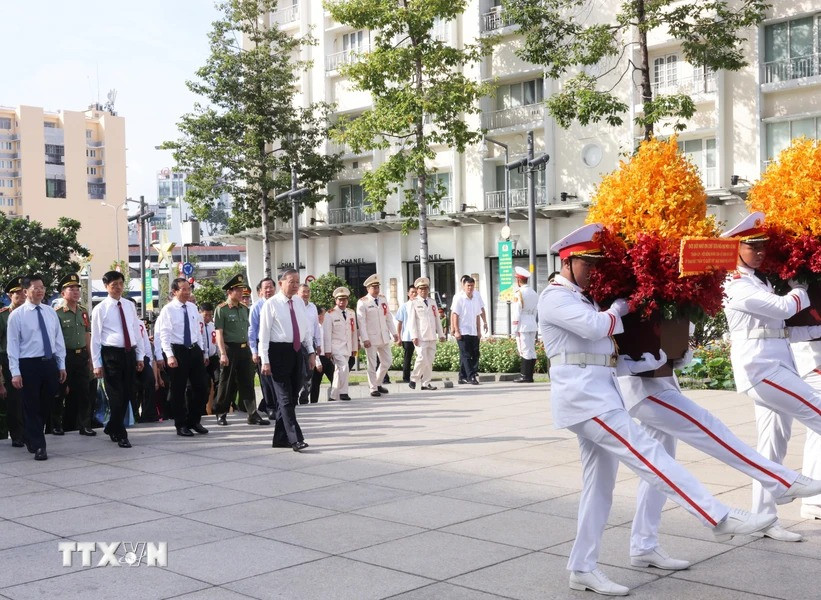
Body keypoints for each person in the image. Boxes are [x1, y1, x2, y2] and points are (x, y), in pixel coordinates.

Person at [540, 223, 775, 596]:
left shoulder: (580, 297)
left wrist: (648, 361)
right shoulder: (555, 298)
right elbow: (595, 328)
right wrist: (621, 304)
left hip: (597, 396)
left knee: (599, 490)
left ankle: (582, 567)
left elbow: (603, 358)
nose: (594, 271)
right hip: (585, 401)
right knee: (647, 455)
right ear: (567, 262)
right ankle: (716, 515)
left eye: (597, 264)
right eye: (588, 264)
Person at [618, 345, 821, 569]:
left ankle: (643, 545)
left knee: (657, 472)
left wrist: (678, 352)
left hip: (659, 384)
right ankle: (780, 481)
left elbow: (666, 342)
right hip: (639, 390)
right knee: (709, 428)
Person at [722, 211, 821, 541]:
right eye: (753, 246)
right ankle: (785, 485)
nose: (761, 253)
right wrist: (801, 287)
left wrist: (813, 328)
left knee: (772, 443)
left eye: (764, 247)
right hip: (761, 369)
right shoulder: (734, 284)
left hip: (773, 364)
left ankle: (765, 518)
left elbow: (778, 331)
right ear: (736, 247)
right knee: (818, 412)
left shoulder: (758, 281)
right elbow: (782, 309)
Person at [6, 274, 67, 461]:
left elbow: (58, 340)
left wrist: (61, 364)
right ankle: (40, 445)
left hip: (48, 364)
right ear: (26, 291)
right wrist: (15, 372)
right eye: (35, 288)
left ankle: (30, 434)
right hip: (28, 364)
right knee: (31, 404)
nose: (40, 290)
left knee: (45, 403)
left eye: (42, 287)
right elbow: (13, 346)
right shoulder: (17, 316)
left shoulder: (50, 312)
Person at [259, 269, 315, 451]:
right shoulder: (271, 304)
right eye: (291, 282)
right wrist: (265, 359)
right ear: (281, 282)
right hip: (277, 352)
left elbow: (305, 329)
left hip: (296, 351)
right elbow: (264, 334)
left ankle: (280, 438)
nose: (295, 285)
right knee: (284, 397)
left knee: (292, 396)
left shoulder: (299, 302)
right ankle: (295, 438)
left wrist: (311, 352)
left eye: (297, 282)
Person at [91, 270, 144, 448]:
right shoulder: (100, 309)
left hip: (129, 353)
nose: (118, 288)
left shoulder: (129, 305)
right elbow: (95, 338)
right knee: (116, 395)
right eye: (114, 285)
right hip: (111, 355)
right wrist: (97, 363)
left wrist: (140, 355)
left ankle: (112, 426)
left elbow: (136, 331)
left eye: (121, 284)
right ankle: (121, 434)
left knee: (128, 393)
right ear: (106, 287)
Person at [156, 278, 210, 437]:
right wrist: (169, 355)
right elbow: (164, 334)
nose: (187, 292)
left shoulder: (193, 308)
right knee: (178, 390)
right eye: (183, 289)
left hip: (194, 350)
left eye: (189, 289)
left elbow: (198, 331)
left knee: (201, 387)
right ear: (174, 291)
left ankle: (194, 420)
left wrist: (202, 351)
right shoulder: (168, 309)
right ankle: (181, 424)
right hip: (177, 350)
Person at [213, 274, 269, 426]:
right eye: (237, 290)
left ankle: (252, 413)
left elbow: (248, 331)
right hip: (229, 349)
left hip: (244, 349)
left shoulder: (245, 309)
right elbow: (219, 333)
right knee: (226, 382)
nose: (240, 293)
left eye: (241, 290)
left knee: (247, 381)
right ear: (229, 292)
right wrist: (223, 353)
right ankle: (221, 412)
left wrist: (252, 350)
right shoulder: (221, 309)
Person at [53, 273, 95, 436]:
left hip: (81, 356)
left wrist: (91, 357)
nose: (76, 291)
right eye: (71, 288)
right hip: (65, 357)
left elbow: (86, 335)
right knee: (60, 392)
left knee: (84, 392)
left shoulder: (83, 311)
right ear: (63, 293)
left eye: (78, 288)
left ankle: (84, 425)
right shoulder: (57, 313)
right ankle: (56, 425)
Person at [357, 274, 398, 397]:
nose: (376, 289)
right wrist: (365, 339)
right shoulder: (362, 302)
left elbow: (388, 318)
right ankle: (373, 388)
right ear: (368, 288)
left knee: (387, 361)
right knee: (372, 364)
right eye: (373, 287)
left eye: (377, 287)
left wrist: (394, 333)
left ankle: (378, 382)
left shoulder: (383, 299)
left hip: (383, 336)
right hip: (371, 338)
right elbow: (361, 322)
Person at [1, 275, 28, 446]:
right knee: (15, 400)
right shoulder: (3, 315)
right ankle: (17, 434)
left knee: (29, 398)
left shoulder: (30, 313)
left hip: (28, 359)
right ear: (10, 296)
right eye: (17, 293)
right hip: (8, 360)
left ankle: (28, 431)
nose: (21, 296)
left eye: (23, 292)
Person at [407, 277, 445, 390]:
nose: (423, 291)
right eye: (421, 289)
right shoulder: (413, 303)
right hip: (420, 336)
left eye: (425, 288)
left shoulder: (432, 302)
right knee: (422, 357)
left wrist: (441, 334)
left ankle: (426, 383)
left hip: (431, 335)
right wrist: (414, 336)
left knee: (429, 360)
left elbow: (437, 319)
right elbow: (411, 321)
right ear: (417, 290)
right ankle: (413, 379)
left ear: (428, 289)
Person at [323, 287, 358, 401]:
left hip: (347, 346)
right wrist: (327, 350)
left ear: (347, 300)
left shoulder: (351, 313)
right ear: (336, 300)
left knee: (338, 371)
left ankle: (333, 395)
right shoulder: (330, 314)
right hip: (336, 346)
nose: (342, 302)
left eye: (344, 299)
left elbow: (353, 332)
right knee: (344, 367)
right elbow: (327, 333)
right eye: (340, 300)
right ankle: (343, 392)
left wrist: (354, 347)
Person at [249, 277, 277, 417]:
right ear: (260, 291)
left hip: (277, 344)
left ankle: (275, 404)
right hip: (262, 345)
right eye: (265, 288)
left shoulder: (279, 304)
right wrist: (254, 351)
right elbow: (252, 331)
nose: (268, 290)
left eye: (271, 287)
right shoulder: (256, 307)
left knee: (278, 376)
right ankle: (270, 406)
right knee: (266, 378)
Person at [451, 275, 485, 385]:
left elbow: (477, 315)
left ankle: (462, 376)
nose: (470, 288)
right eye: (468, 286)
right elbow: (455, 314)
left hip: (473, 331)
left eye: (472, 286)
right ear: (464, 286)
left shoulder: (475, 298)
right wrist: (456, 330)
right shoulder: (459, 298)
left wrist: (479, 330)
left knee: (474, 354)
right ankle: (471, 376)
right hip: (463, 331)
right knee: (465, 355)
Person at [512, 266, 539, 383]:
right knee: (531, 349)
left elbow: (516, 312)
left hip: (522, 324)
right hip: (532, 322)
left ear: (518, 280)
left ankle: (525, 376)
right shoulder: (533, 293)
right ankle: (529, 375)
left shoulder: (519, 293)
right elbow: (535, 310)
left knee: (524, 350)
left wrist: (514, 328)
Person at [298, 283, 322, 404]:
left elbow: (316, 326)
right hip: (298, 342)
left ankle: (304, 397)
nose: (306, 294)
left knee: (309, 371)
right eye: (303, 291)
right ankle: (295, 395)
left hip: (310, 342)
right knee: (299, 370)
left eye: (308, 291)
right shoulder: (295, 305)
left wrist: (318, 344)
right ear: (298, 292)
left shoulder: (312, 307)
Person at [310, 307, 334, 403]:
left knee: (334, 378)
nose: (325, 317)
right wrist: (317, 361)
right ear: (319, 316)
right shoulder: (315, 328)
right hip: (318, 358)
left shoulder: (323, 326)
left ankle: (334, 397)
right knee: (315, 383)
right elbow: (315, 345)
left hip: (326, 357)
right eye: (324, 315)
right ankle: (313, 402)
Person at [198, 302, 219, 413]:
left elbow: (215, 341)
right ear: (200, 313)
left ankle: (216, 407)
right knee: (204, 384)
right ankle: (202, 408)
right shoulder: (197, 324)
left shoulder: (212, 325)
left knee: (219, 380)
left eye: (210, 315)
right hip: (202, 358)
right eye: (205, 315)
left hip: (213, 357)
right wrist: (204, 354)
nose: (208, 318)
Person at [394, 285, 417, 383]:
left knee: (422, 357)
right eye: (412, 292)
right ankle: (406, 377)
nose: (414, 294)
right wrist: (399, 337)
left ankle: (420, 375)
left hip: (420, 336)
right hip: (407, 336)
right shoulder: (404, 306)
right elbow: (399, 322)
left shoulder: (420, 305)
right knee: (408, 357)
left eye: (416, 292)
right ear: (408, 294)